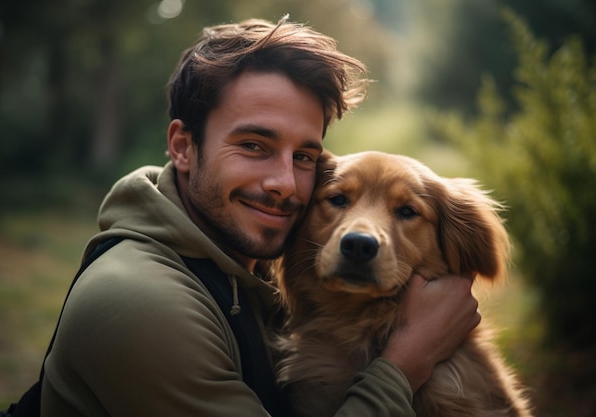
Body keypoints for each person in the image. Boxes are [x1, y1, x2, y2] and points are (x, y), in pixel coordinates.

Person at [40, 17, 480, 416]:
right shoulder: (139, 301)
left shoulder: (254, 267)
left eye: (304, 156)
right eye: (254, 146)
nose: (285, 183)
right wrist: (406, 362)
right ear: (183, 147)